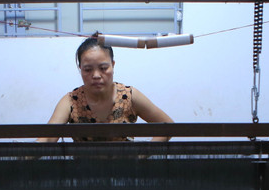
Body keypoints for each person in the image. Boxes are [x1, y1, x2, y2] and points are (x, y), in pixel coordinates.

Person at [40, 34, 174, 142]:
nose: (96, 75)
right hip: (84, 167)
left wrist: (141, 155)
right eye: (88, 69)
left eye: (103, 68)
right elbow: (47, 138)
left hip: (125, 167)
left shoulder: (129, 96)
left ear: (113, 65)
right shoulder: (71, 101)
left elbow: (168, 126)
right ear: (80, 69)